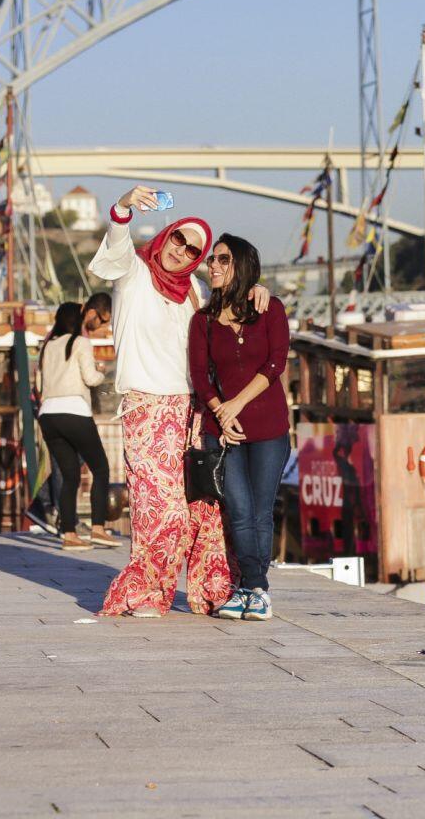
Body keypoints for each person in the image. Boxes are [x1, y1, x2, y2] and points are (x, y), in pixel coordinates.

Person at [93, 186, 267, 618]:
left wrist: (258, 290)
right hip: (147, 408)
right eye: (177, 239)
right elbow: (115, 247)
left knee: (203, 507)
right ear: (166, 235)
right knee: (161, 508)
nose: (182, 250)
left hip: (193, 411)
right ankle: (146, 593)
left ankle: (212, 592)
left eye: (193, 248)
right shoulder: (133, 273)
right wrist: (123, 208)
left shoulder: (193, 291)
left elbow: (227, 321)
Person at [189, 234, 290, 621]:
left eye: (223, 260)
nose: (212, 266)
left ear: (242, 265)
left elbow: (275, 364)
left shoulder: (271, 309)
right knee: (239, 510)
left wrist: (236, 405)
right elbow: (200, 376)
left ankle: (256, 590)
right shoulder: (203, 320)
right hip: (222, 430)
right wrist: (222, 411)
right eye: (212, 260)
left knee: (260, 511)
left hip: (268, 429)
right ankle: (249, 586)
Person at [38, 302, 117, 552]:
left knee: (70, 475)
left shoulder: (48, 345)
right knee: (101, 469)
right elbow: (90, 378)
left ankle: (69, 534)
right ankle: (98, 529)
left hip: (48, 414)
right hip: (74, 410)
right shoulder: (80, 342)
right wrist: (102, 372)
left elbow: (39, 383)